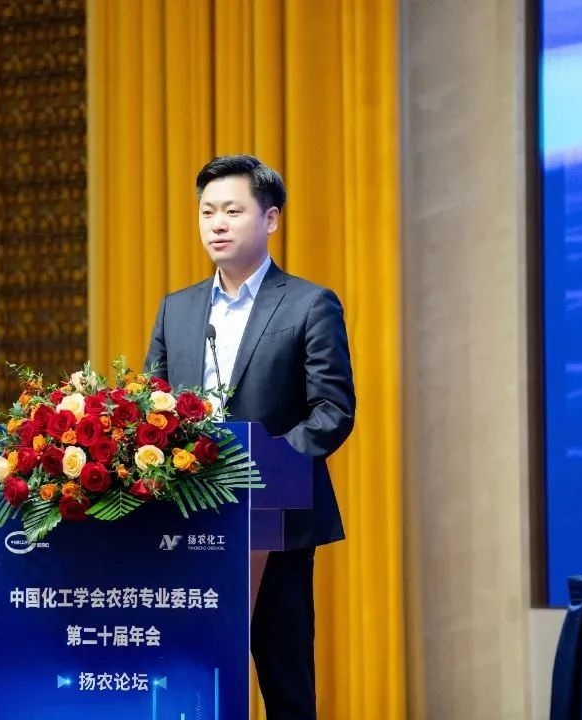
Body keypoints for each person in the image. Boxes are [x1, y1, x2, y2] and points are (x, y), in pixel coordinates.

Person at [144, 154, 356, 720]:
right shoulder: (176, 309)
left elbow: (333, 409)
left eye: (233, 211)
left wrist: (264, 468)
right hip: (188, 516)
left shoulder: (309, 303)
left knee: (284, 677)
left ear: (271, 219)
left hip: (274, 518)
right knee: (191, 675)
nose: (217, 223)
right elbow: (150, 407)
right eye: (207, 211)